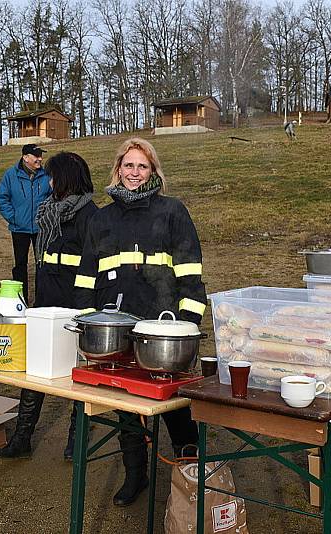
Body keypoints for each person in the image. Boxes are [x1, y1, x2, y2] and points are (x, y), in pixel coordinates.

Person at [74, 138, 207, 507]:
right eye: (128, 166)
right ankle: (136, 475)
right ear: (118, 169)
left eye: (142, 166)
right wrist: (88, 321)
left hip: (163, 328)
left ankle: (191, 475)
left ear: (153, 172)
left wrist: (186, 326)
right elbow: (86, 277)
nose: (134, 173)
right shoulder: (101, 218)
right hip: (116, 328)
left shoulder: (171, 211)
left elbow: (191, 273)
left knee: (176, 407)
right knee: (127, 407)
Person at [0, 152, 98, 460]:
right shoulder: (49, 212)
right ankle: (22, 436)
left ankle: (76, 442)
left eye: (53, 176)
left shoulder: (91, 216)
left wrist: (85, 310)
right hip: (46, 304)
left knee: (79, 375)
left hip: (76, 309)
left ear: (66, 178)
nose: (48, 181)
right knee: (35, 371)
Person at [0, 143, 52, 304]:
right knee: (20, 265)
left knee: (42, 264)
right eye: (36, 156)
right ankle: (21, 300)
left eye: (41, 155)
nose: (40, 159)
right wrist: (13, 218)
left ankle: (41, 301)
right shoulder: (10, 175)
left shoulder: (47, 174)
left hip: (41, 228)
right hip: (19, 228)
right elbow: (2, 198)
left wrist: (46, 217)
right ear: (25, 157)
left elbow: (53, 196)